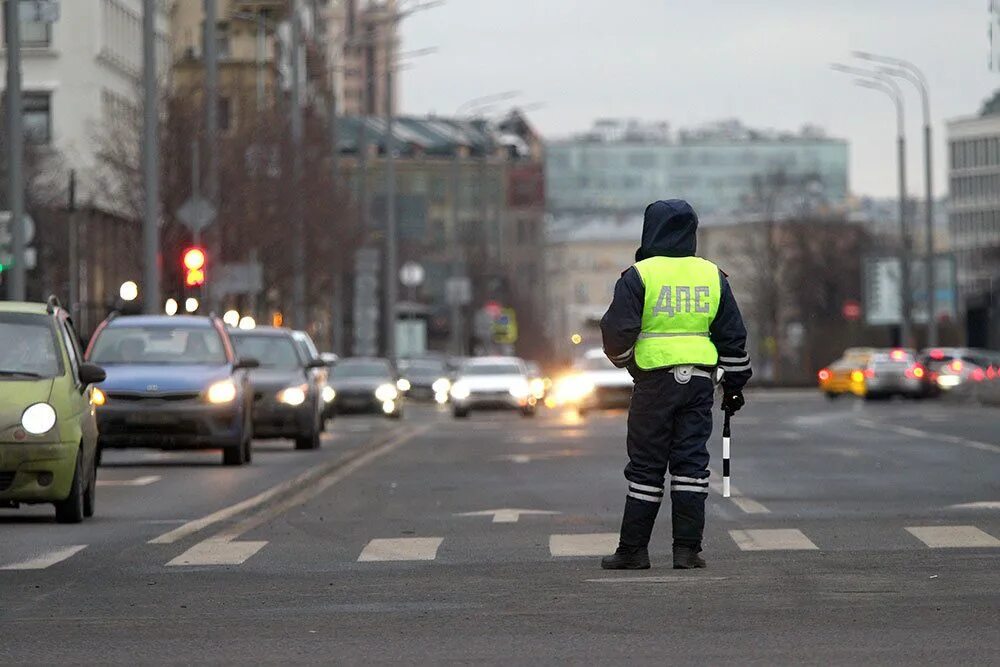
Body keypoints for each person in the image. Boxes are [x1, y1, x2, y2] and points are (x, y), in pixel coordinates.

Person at [600, 199, 752, 570]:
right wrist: (734, 386)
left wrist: (631, 365)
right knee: (690, 466)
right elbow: (732, 336)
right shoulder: (712, 275)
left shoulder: (639, 276)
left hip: (653, 385)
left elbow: (615, 334)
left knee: (646, 468)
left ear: (649, 230)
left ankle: (633, 551)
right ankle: (687, 550)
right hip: (699, 383)